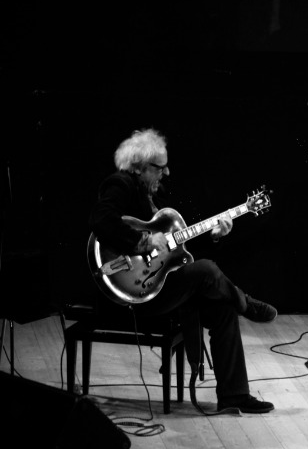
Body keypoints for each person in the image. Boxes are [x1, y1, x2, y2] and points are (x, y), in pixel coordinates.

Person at [88, 128, 277, 414]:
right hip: (133, 293)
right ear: (139, 167)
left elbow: (176, 251)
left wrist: (214, 236)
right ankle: (246, 303)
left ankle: (234, 395)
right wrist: (141, 241)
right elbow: (100, 220)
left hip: (159, 284)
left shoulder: (152, 195)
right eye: (159, 167)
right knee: (206, 270)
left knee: (223, 306)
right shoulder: (120, 184)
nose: (166, 173)